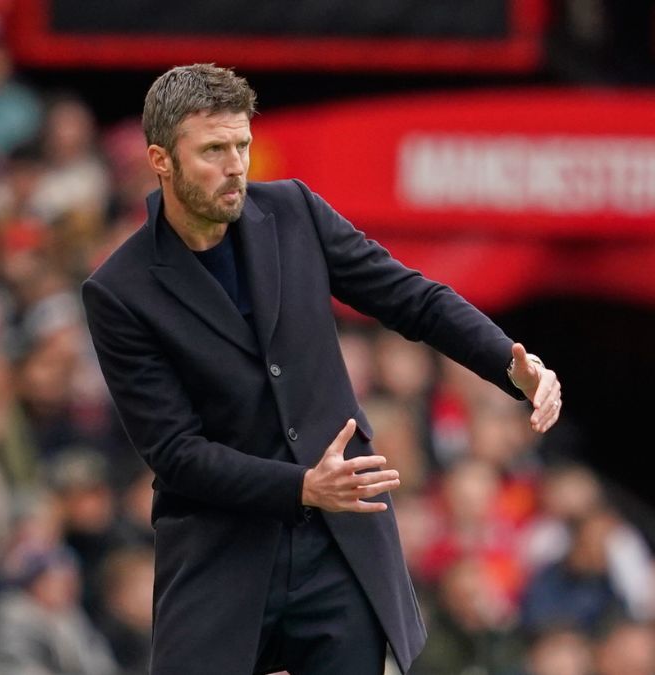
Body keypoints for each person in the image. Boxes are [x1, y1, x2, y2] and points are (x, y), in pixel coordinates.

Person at [80, 63, 563, 675]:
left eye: (242, 145)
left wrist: (510, 364)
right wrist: (302, 487)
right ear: (161, 160)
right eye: (213, 150)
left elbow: (410, 298)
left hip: (342, 540)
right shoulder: (119, 290)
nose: (236, 165)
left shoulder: (295, 211)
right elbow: (176, 453)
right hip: (221, 552)